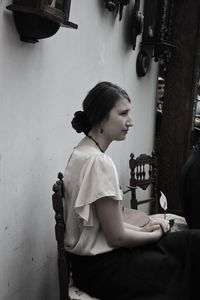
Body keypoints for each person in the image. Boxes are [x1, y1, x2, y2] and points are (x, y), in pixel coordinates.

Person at [63, 81, 200, 300]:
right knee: (184, 259)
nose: (131, 122)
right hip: (103, 269)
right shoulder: (99, 162)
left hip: (89, 265)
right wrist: (156, 234)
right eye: (123, 113)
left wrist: (147, 231)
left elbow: (106, 225)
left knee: (189, 242)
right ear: (101, 116)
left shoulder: (80, 152)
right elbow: (116, 237)